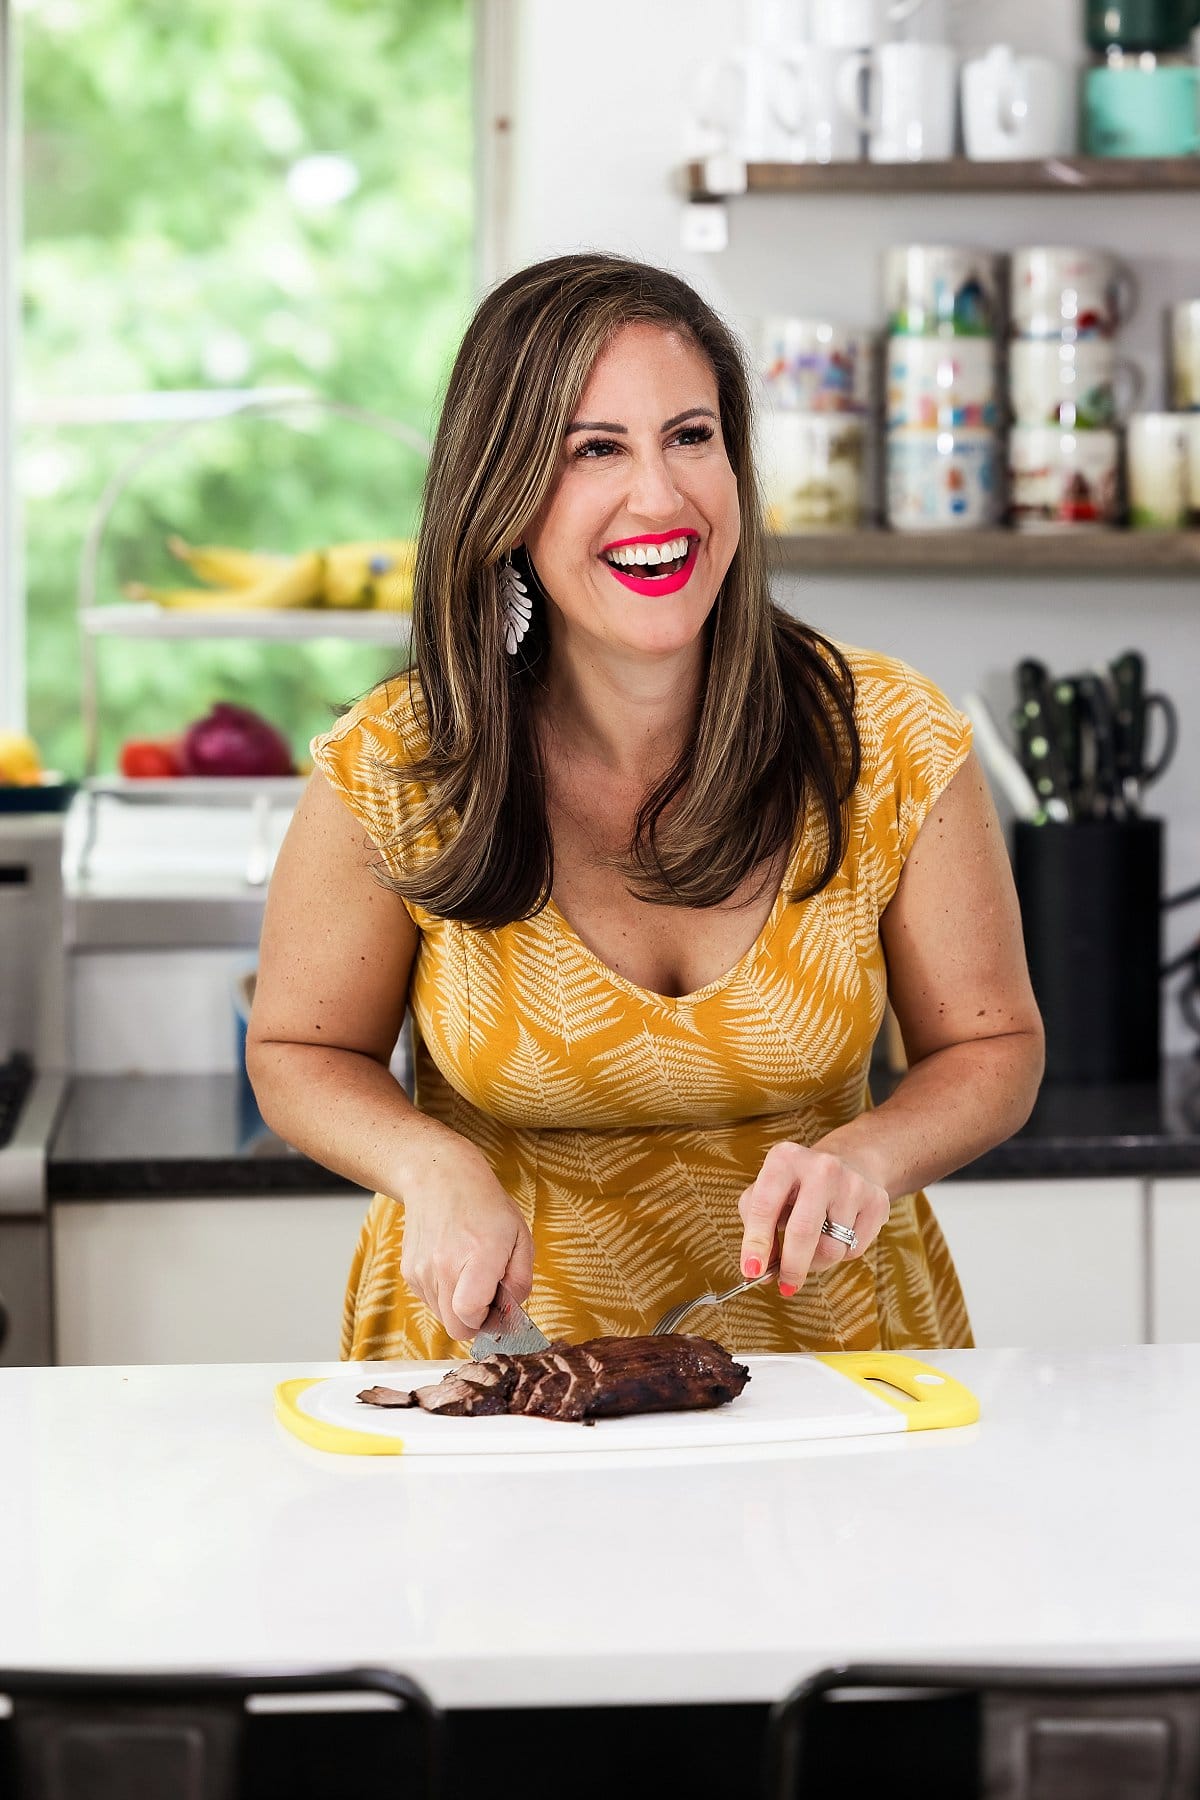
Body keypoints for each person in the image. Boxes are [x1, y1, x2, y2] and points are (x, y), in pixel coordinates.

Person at [247, 252, 1044, 1362]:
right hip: (496, 1363)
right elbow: (297, 1047)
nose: (660, 497)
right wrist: (430, 1166)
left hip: (836, 1369)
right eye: (594, 451)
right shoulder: (396, 765)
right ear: (505, 495)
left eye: (691, 436)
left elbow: (993, 1044)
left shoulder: (890, 740)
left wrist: (871, 1156)